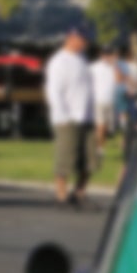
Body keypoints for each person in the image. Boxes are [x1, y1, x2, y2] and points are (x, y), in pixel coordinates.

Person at [45, 24, 95, 208]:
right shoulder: (59, 61)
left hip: (87, 115)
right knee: (66, 158)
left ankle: (79, 192)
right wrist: (62, 116)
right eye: (82, 39)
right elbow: (54, 91)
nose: (85, 43)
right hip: (67, 117)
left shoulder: (82, 59)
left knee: (90, 159)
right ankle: (61, 195)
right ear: (71, 38)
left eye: (86, 40)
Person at [89, 43, 123, 151]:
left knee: (108, 128)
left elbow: (119, 81)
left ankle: (101, 147)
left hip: (112, 101)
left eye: (109, 54)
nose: (107, 56)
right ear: (101, 54)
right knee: (100, 126)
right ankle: (99, 149)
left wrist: (115, 66)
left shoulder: (116, 67)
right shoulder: (93, 67)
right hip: (98, 100)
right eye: (105, 54)